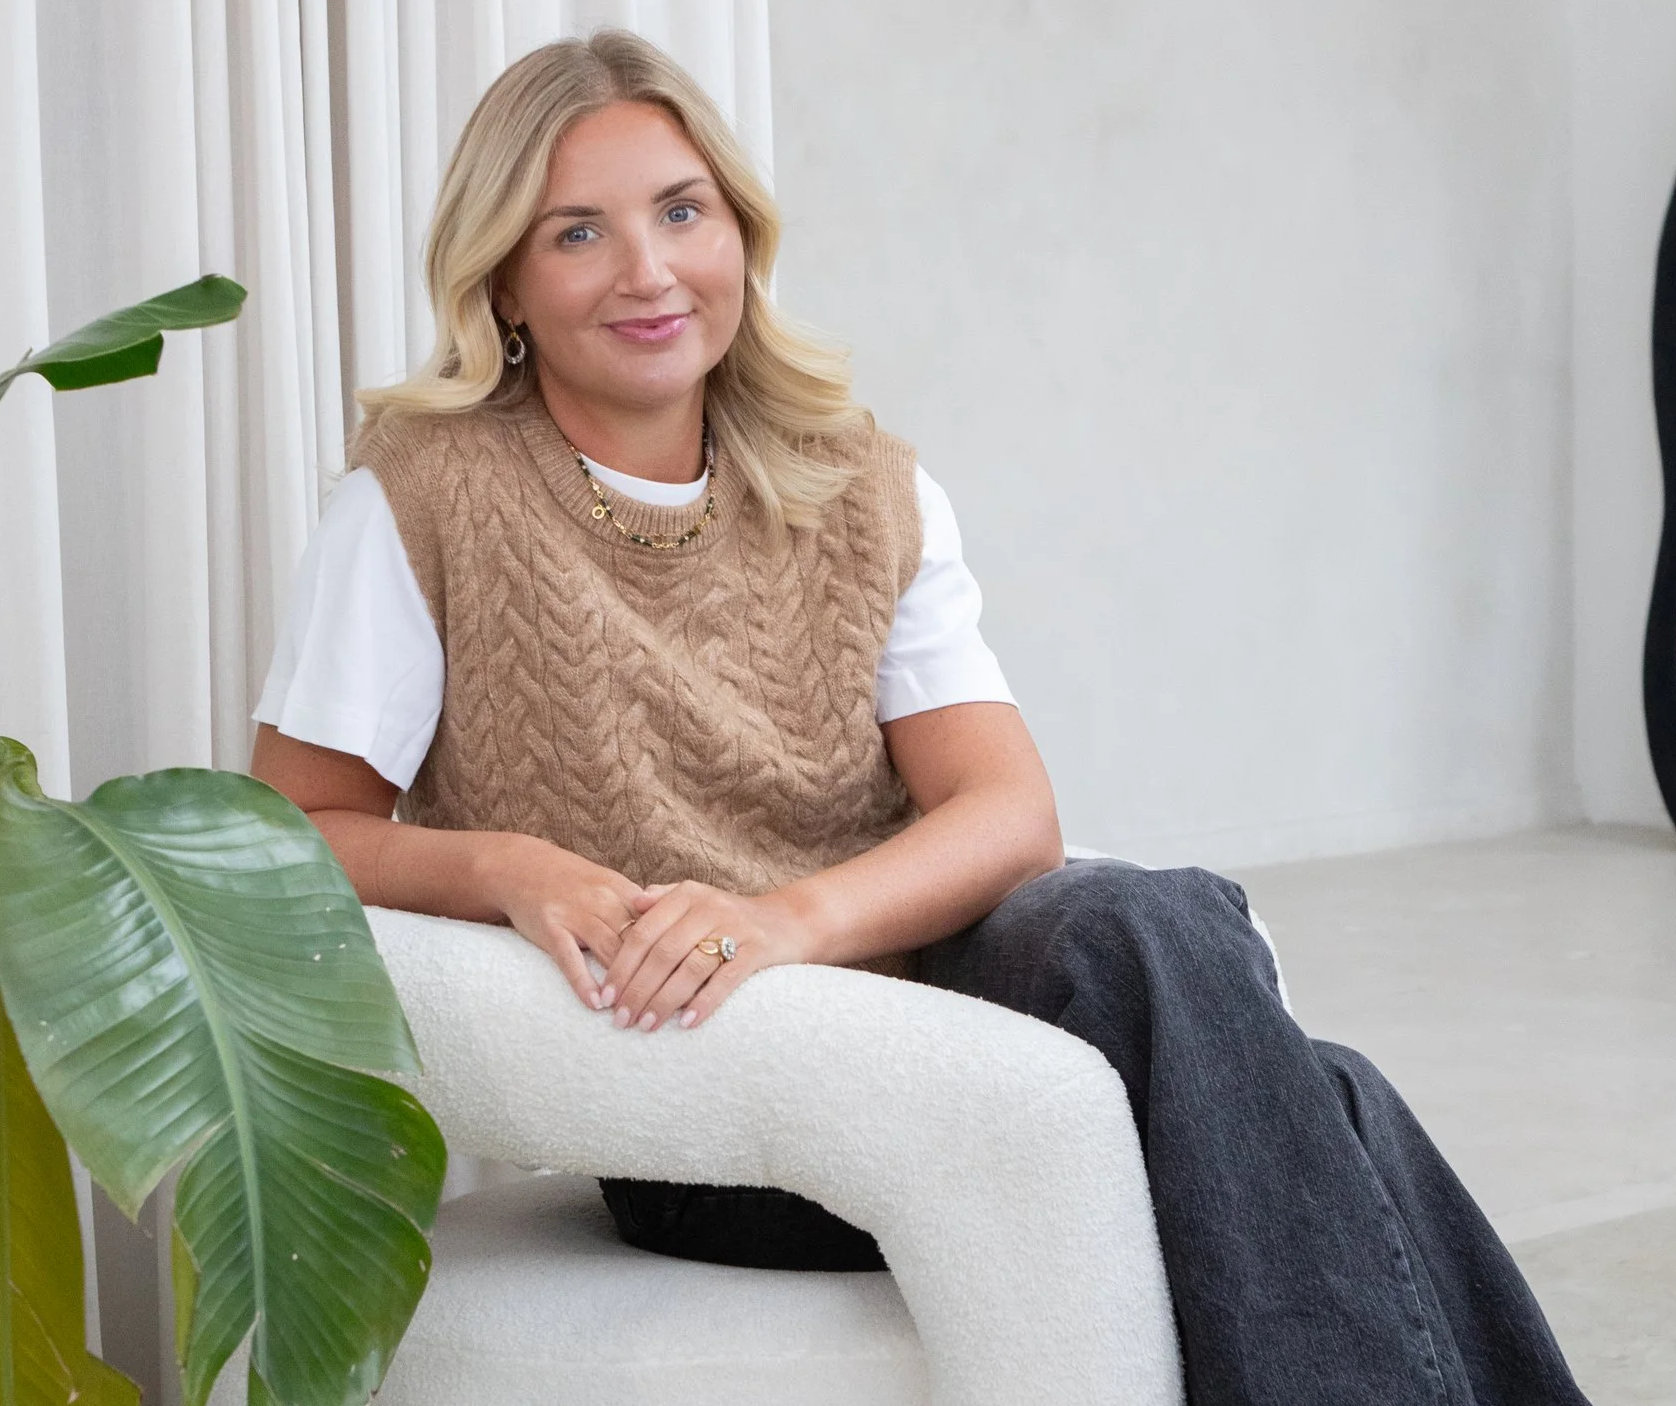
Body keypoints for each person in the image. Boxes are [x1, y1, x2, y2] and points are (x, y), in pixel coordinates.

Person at [249, 28, 1591, 1406]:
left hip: (917, 994)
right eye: (578, 232)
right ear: (509, 284)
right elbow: (295, 823)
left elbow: (1012, 814)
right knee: (1327, 1098)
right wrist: (506, 867)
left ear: (740, 235)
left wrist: (791, 921)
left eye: (681, 211)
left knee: (1163, 924)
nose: (649, 271)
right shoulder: (423, 496)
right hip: (724, 1095)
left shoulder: (858, 480)